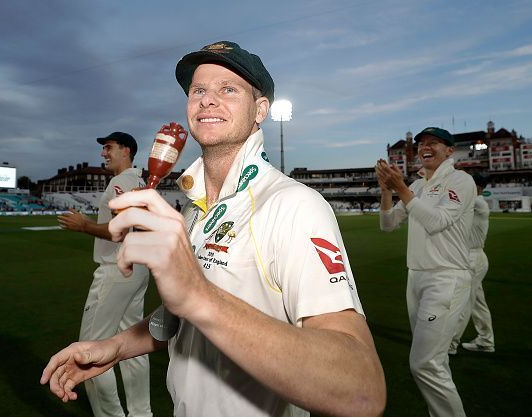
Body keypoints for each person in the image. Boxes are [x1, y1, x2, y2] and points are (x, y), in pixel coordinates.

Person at [42, 41, 386, 417]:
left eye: (228, 89)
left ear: (261, 111)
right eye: (199, 90)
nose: (208, 100)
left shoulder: (294, 206)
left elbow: (362, 390)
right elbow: (179, 319)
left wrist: (199, 296)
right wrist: (117, 346)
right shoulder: (196, 210)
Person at [376, 127, 476, 417]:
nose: (424, 147)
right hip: (416, 276)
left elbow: (436, 222)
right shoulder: (419, 186)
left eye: (433, 142)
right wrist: (386, 190)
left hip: (446, 277)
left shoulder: (461, 181)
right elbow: (388, 224)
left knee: (424, 364)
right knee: (436, 361)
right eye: (421, 143)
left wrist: (402, 189)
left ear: (449, 151)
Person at [56, 132, 153, 417]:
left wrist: (83, 225)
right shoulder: (140, 181)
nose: (103, 154)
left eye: (108, 148)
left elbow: (119, 230)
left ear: (126, 150)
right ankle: (141, 413)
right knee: (133, 349)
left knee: (91, 350)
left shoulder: (121, 182)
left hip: (116, 270)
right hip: (139, 267)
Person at [450, 173, 495, 354]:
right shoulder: (474, 202)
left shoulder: (478, 202)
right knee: (477, 303)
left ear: (478, 188)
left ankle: (451, 344)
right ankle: (486, 340)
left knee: (463, 302)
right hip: (471, 258)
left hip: (473, 259)